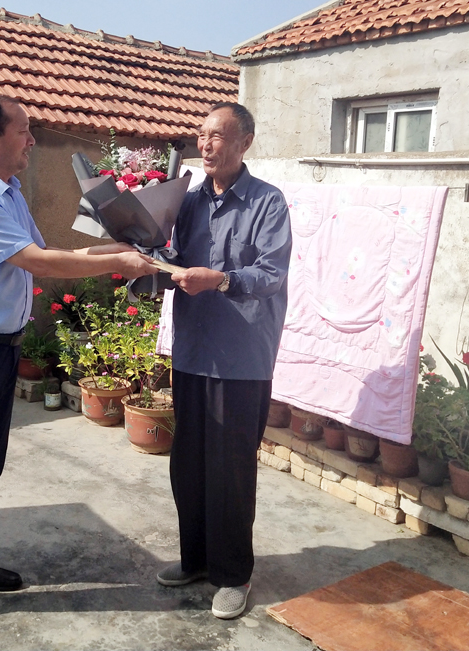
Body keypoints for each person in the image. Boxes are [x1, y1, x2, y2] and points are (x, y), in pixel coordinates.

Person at [0, 93, 157, 632]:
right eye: (23, 131)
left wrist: (119, 252)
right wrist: (117, 260)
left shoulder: (9, 192)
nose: (32, 141)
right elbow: (37, 262)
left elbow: (57, 251)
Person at [157, 102, 292, 619]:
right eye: (202, 134)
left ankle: (234, 574)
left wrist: (222, 280)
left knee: (231, 470)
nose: (206, 144)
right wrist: (145, 255)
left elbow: (272, 272)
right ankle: (196, 559)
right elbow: (173, 259)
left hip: (240, 358)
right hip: (193, 350)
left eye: (217, 135)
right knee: (187, 464)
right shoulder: (189, 202)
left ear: (244, 142)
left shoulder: (267, 202)